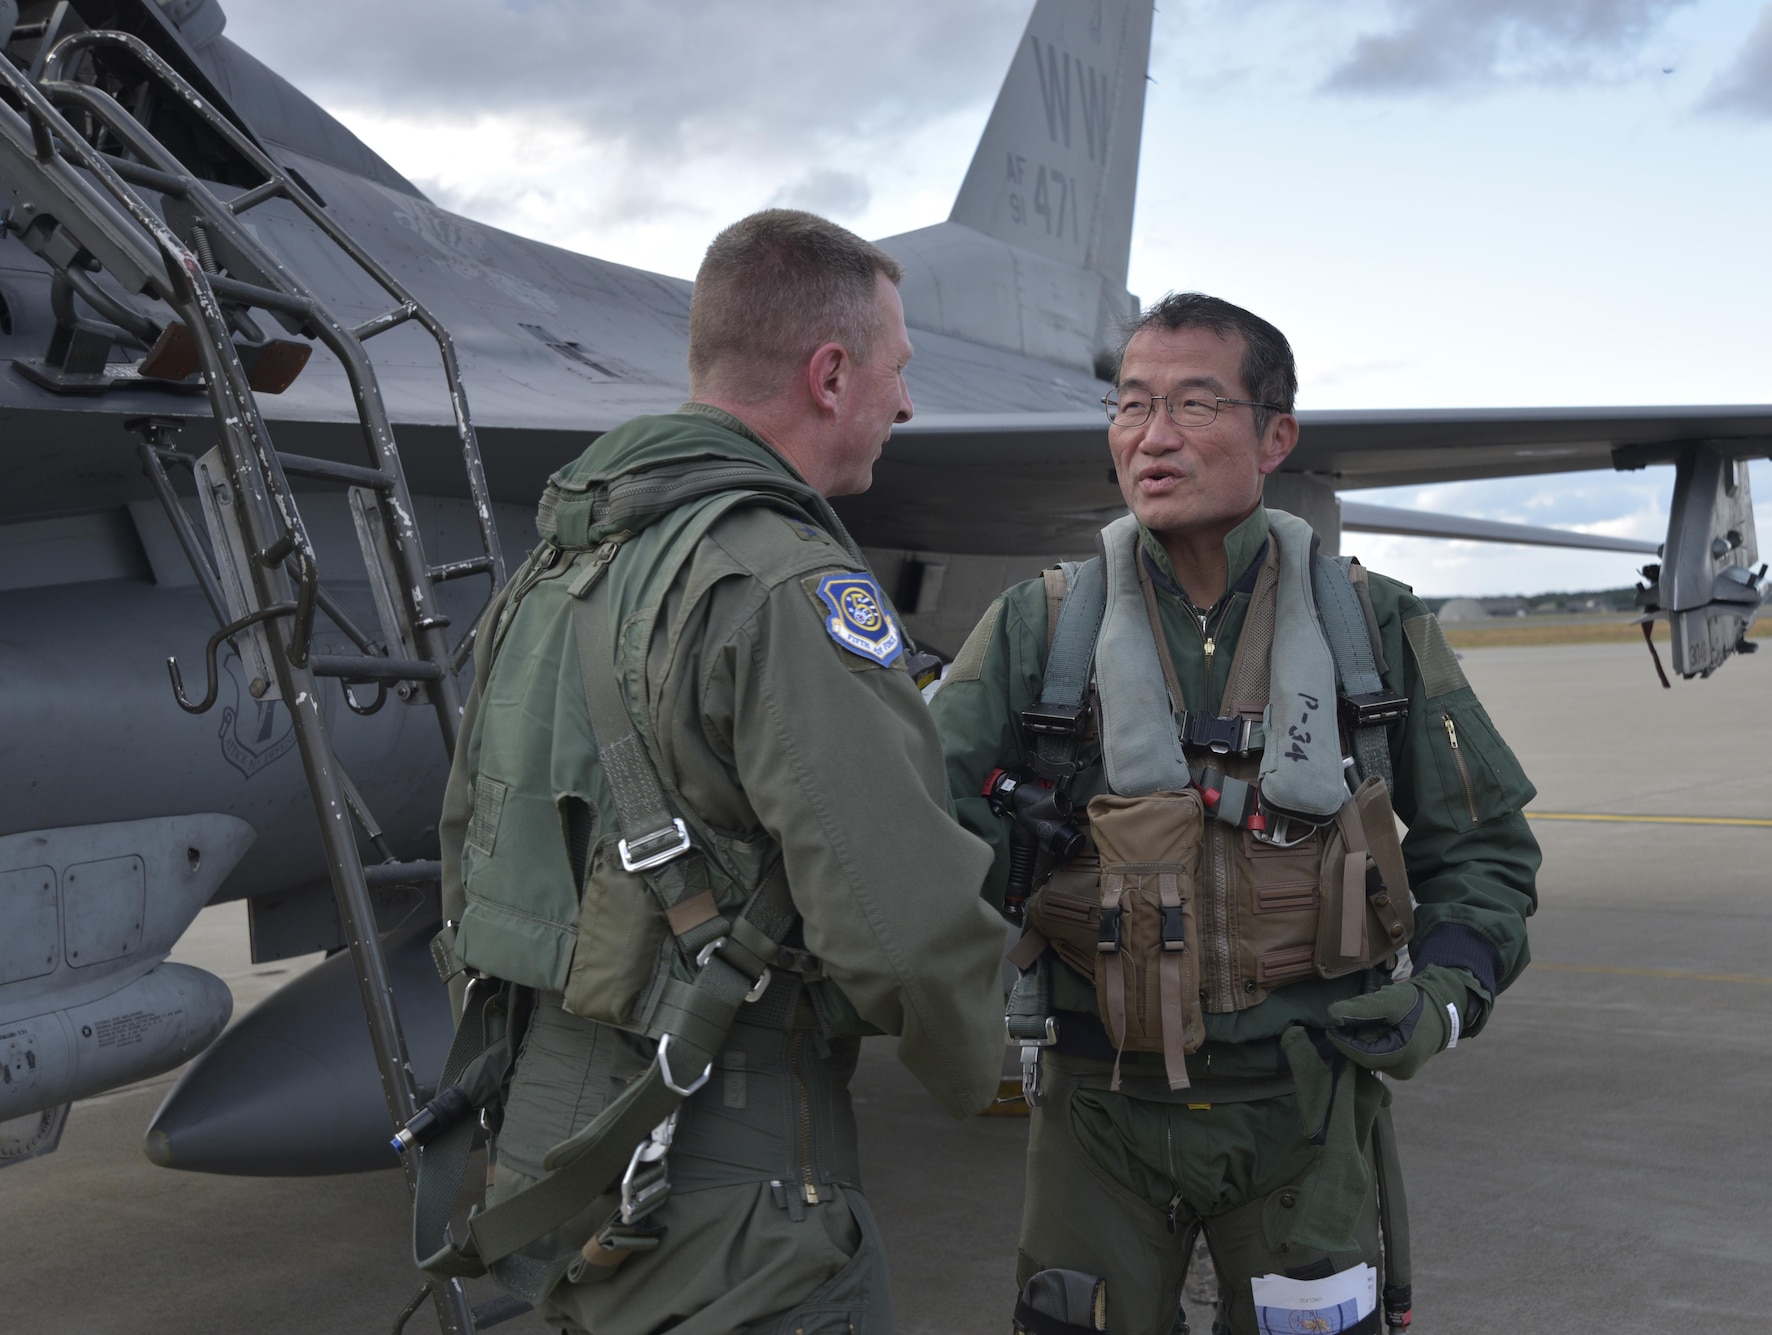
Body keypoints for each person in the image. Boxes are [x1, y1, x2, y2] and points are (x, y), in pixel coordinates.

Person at [433, 209, 1009, 1335]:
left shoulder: (558, 564)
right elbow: (900, 922)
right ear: (831, 374)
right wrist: (991, 1059)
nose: (905, 405)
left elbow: (467, 838)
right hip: (721, 1159)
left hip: (548, 1124)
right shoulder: (781, 584)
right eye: (895, 373)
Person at [929, 293, 1540, 1335]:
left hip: (1305, 1103)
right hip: (1096, 1109)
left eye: (1194, 404)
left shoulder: (1370, 626)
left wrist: (1439, 999)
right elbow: (922, 825)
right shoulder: (1039, 629)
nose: (1151, 436)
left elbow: (1480, 849)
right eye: (1130, 406)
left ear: (1274, 435)